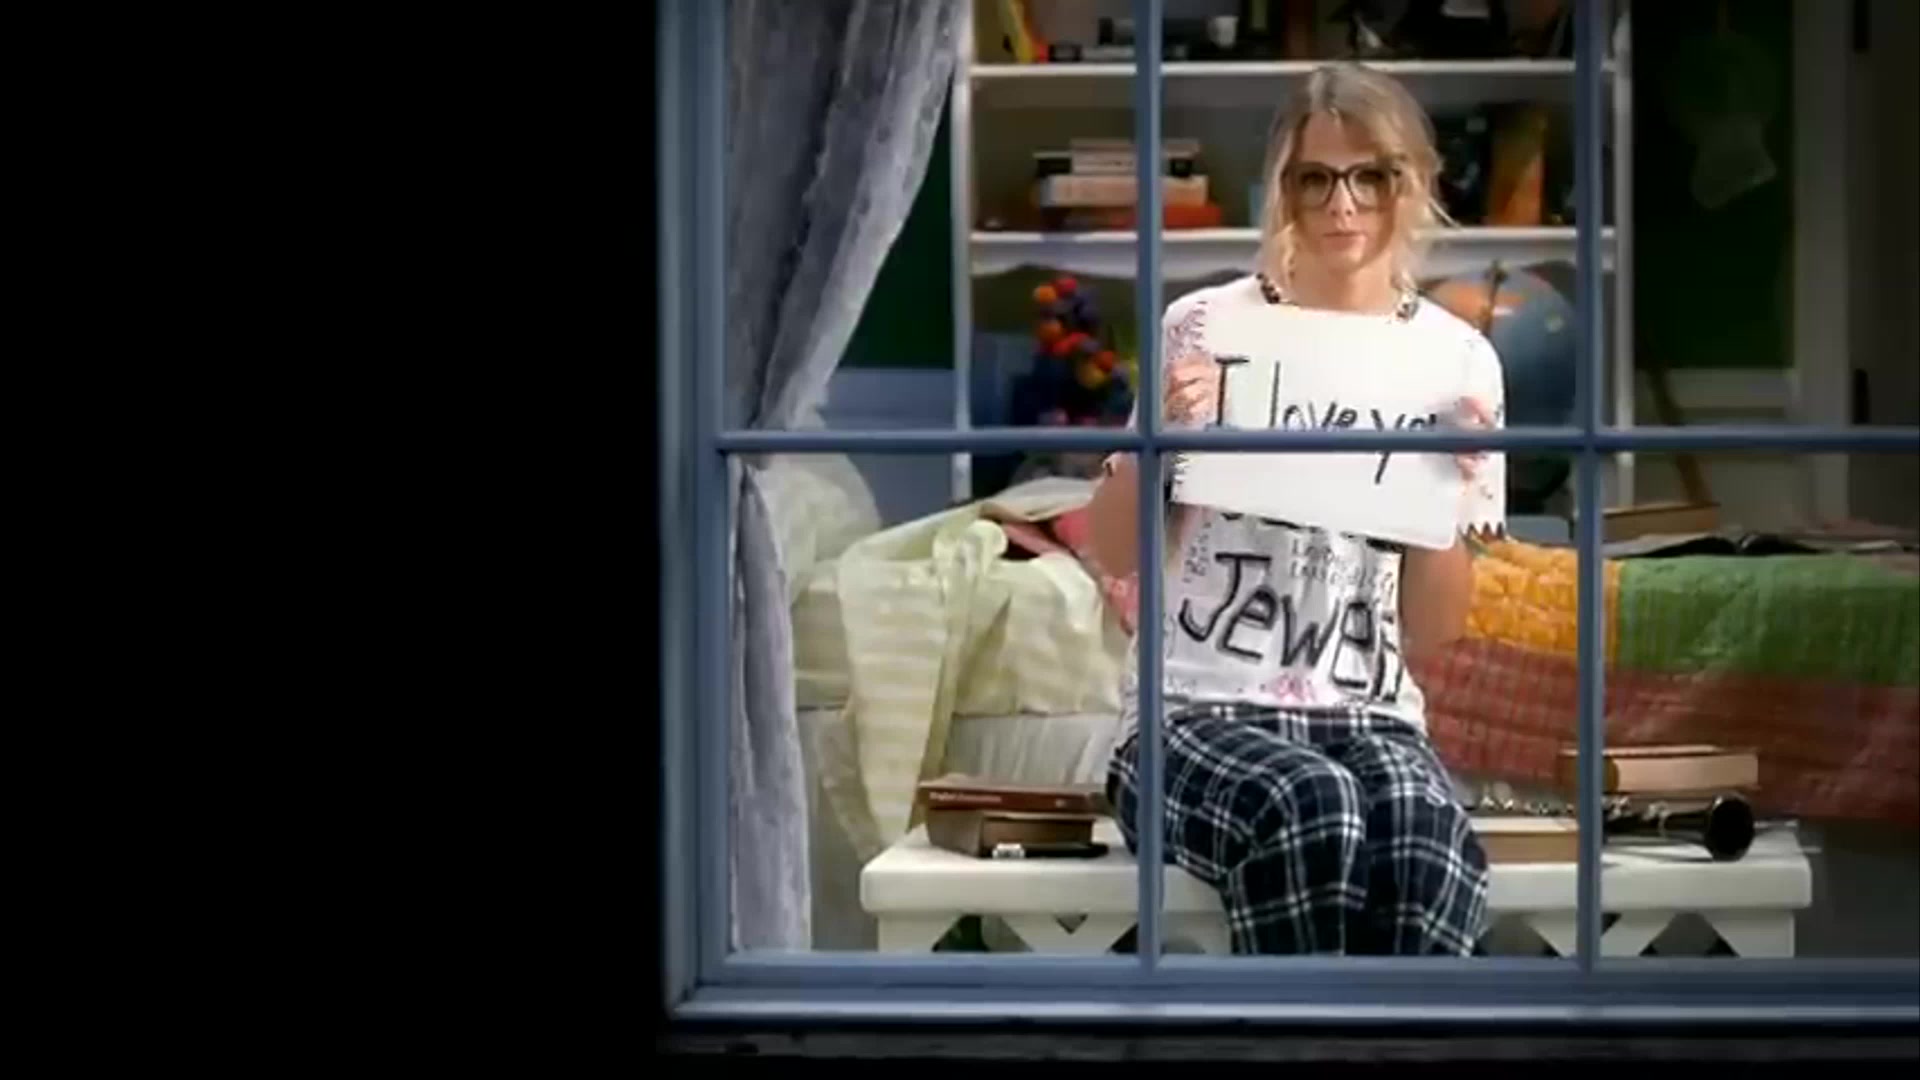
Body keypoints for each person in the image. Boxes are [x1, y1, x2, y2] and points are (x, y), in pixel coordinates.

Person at [1086, 63, 1506, 956]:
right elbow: (1112, 550)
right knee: (1314, 804)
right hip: (1192, 713)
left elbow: (1435, 631)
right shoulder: (1207, 326)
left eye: (1370, 177)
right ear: (1283, 187)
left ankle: (1403, 1031)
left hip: (1372, 717)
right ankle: (1300, 1029)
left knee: (1426, 839)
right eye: (1316, 178)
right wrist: (1159, 441)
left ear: (1410, 185)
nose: (1342, 205)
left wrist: (1449, 488)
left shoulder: (1458, 362)